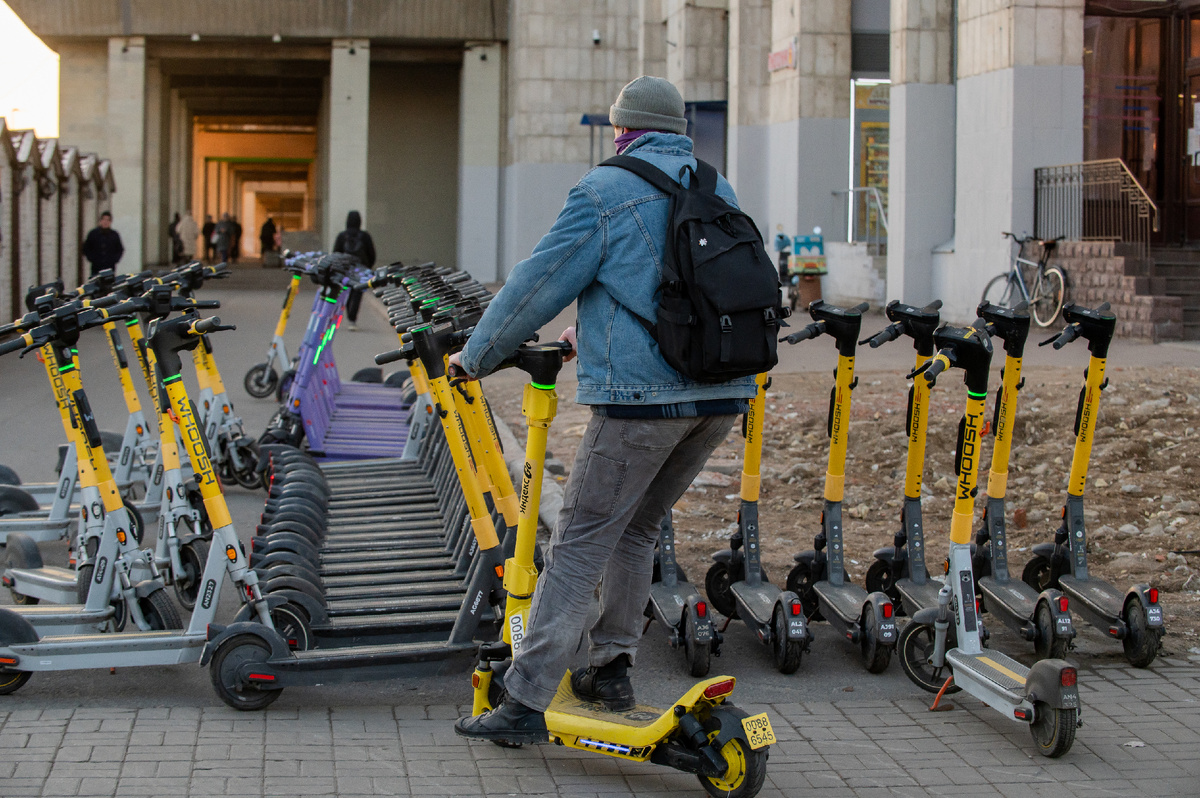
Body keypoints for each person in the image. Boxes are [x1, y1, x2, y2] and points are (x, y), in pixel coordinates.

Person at [450, 76, 756, 743]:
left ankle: (523, 701)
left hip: (641, 405)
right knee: (638, 530)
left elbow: (537, 283)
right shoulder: (714, 185)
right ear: (679, 130)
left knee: (580, 542)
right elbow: (673, 290)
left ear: (622, 129)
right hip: (722, 394)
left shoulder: (604, 190)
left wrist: (472, 358)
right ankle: (612, 669)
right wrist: (585, 335)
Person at [332, 210, 376, 330]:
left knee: (347, 292)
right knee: (357, 294)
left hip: (346, 269)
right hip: (361, 269)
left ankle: (348, 315)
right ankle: (352, 319)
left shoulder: (342, 236)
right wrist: (368, 267)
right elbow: (371, 254)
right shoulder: (365, 236)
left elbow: (336, 253)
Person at [82, 211, 124, 277]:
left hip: (109, 268)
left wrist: (114, 259)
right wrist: (92, 258)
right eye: (104, 219)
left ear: (110, 222)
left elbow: (120, 249)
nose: (105, 222)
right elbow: (86, 248)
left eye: (108, 220)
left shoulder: (114, 235)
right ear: (100, 221)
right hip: (96, 268)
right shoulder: (93, 234)